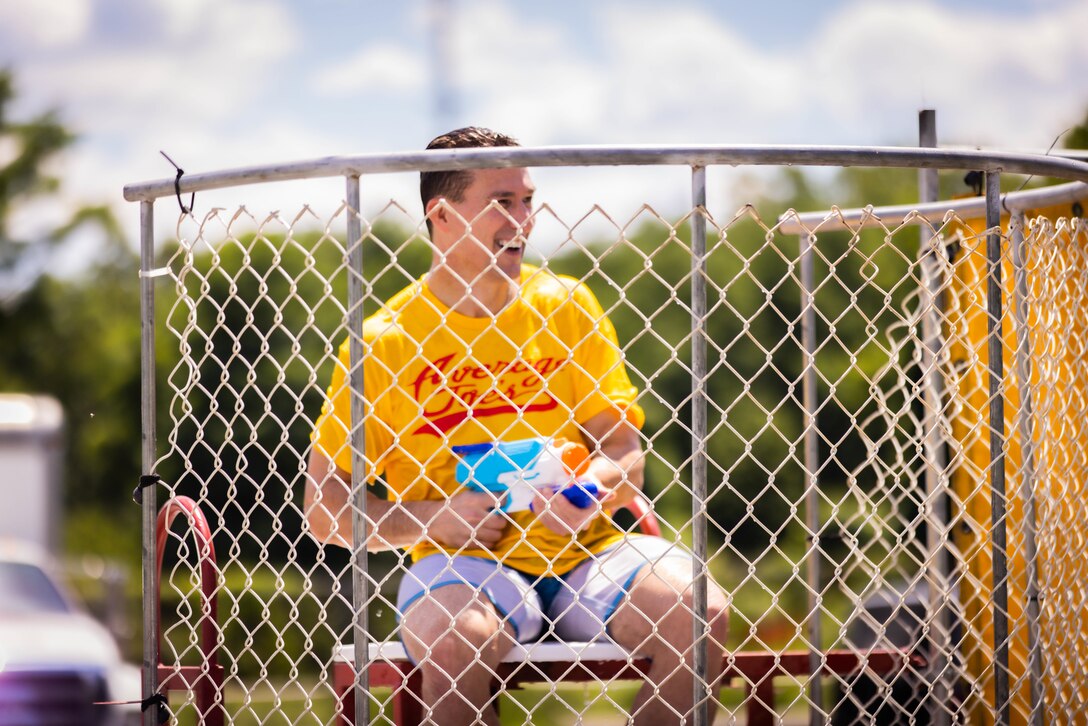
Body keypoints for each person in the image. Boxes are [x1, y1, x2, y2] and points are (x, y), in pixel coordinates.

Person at [305, 126, 729, 725]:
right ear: (442, 214)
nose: (522, 220)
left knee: (700, 608)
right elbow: (322, 507)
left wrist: (586, 491)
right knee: (455, 640)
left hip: (592, 553)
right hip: (464, 567)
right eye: (501, 202)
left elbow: (624, 449)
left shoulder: (567, 305)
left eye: (528, 200)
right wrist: (434, 518)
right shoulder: (385, 343)